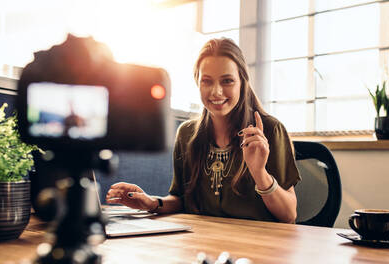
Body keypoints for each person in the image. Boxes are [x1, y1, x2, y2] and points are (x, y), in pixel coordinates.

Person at [106, 38, 300, 223]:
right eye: (207, 81)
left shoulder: (269, 130)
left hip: (260, 246)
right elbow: (181, 200)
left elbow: (289, 215)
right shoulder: (186, 134)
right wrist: (152, 203)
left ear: (242, 82)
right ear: (197, 81)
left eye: (227, 81)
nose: (216, 92)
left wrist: (259, 173)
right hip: (204, 243)